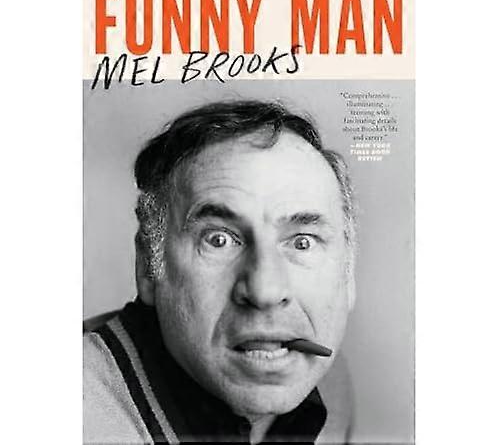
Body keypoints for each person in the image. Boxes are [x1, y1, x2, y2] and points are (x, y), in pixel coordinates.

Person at [83, 100, 357, 444]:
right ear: (148, 266)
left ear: (348, 274)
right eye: (218, 240)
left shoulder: (328, 385)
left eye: (302, 243)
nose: (265, 291)